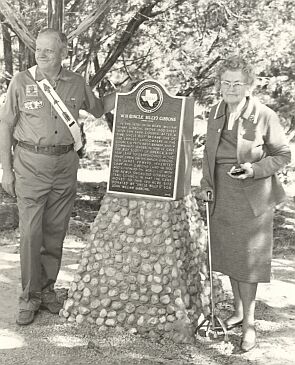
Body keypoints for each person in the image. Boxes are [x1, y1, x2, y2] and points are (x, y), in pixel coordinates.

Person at [0, 28, 117, 325]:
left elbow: (100, 108)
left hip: (65, 167)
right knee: (30, 235)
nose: (41, 54)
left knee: (54, 234)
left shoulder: (77, 83)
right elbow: (5, 125)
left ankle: (47, 291)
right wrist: (6, 170)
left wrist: (127, 94)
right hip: (29, 166)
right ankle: (28, 298)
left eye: (48, 50)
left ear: (63, 53)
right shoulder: (21, 82)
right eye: (39, 49)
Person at [200, 55, 291, 352]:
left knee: (247, 261)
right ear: (219, 85)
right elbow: (209, 154)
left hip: (252, 196)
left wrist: (255, 169)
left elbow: (282, 154)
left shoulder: (264, 114)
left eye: (237, 83)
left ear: (249, 85)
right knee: (229, 255)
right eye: (225, 82)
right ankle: (238, 312)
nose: (231, 88)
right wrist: (206, 185)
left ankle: (249, 324)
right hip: (222, 193)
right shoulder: (215, 111)